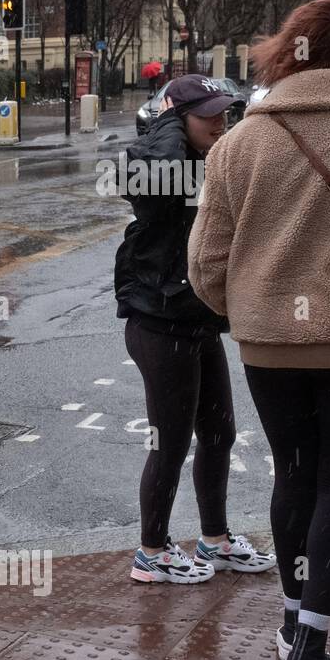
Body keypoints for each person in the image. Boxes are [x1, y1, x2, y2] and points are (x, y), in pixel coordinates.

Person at [190, 0, 330, 660]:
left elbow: (205, 263)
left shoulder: (239, 143)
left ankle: (291, 620)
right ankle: (312, 643)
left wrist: (250, 312)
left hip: (266, 343)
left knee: (293, 475)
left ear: (287, 50)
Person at [113, 73, 277, 584]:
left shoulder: (208, 161)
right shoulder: (153, 163)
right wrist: (167, 126)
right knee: (170, 441)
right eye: (207, 113)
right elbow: (149, 184)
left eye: (224, 112)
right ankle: (151, 551)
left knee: (219, 433)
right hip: (158, 323)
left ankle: (216, 539)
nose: (220, 121)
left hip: (197, 320)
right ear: (177, 119)